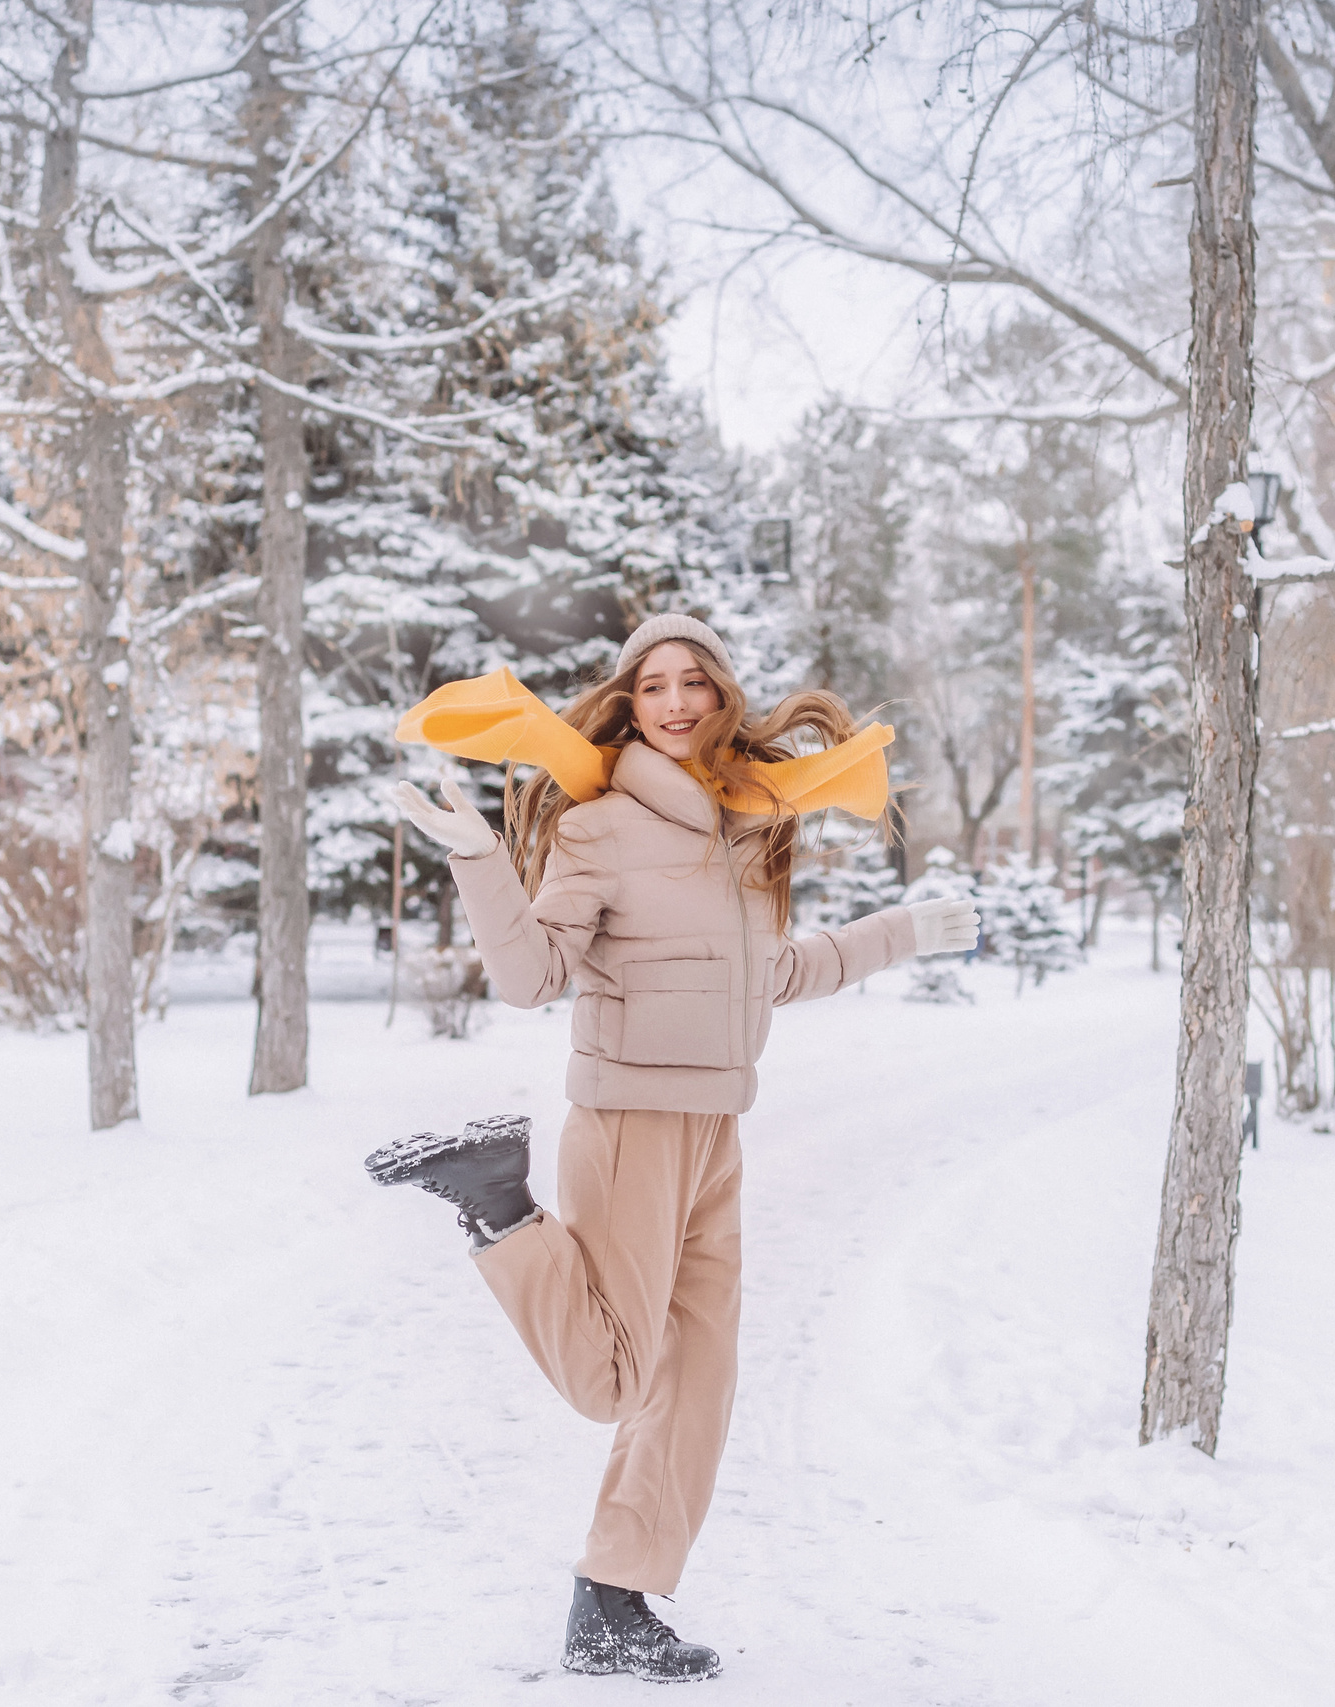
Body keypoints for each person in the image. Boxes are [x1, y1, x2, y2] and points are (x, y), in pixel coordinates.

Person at [363, 614, 979, 1682]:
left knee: (697, 1378)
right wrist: (476, 861)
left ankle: (611, 1602)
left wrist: (905, 930)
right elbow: (530, 977)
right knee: (613, 1378)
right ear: (629, 704)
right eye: (655, 686)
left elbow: (776, 975)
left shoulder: (745, 828)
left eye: (696, 681)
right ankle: (495, 1204)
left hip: (715, 1129)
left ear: (723, 695)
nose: (678, 701)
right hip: (629, 1122)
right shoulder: (598, 826)